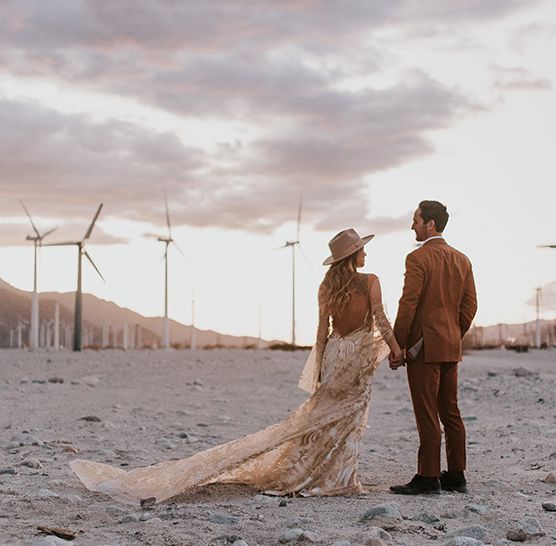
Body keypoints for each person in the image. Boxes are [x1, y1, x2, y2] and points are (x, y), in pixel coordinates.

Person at [70, 228, 403, 504]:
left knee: (319, 417)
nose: (366, 255)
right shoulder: (371, 280)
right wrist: (396, 350)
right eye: (361, 250)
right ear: (353, 256)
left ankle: (326, 473)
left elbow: (321, 333)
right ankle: (343, 477)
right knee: (350, 419)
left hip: (334, 355)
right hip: (357, 356)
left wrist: (317, 372)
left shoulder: (326, 287)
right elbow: (381, 321)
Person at [388, 200, 477, 495]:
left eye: (416, 220)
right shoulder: (462, 260)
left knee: (427, 412)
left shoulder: (417, 258)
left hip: (423, 349)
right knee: (450, 410)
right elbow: (470, 305)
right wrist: (453, 332)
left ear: (430, 225)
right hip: (450, 346)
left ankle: (427, 477)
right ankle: (455, 475)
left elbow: (408, 304)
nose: (412, 226)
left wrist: (398, 345)